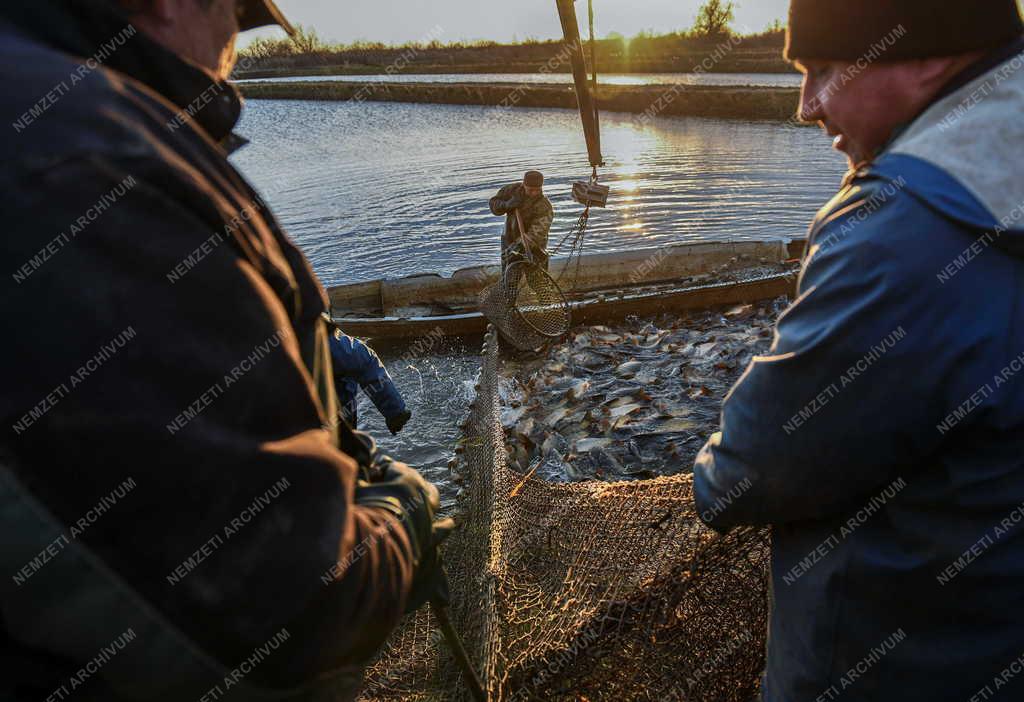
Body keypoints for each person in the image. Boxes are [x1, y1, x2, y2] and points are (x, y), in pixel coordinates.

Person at [0, 1, 450, 700]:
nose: (233, 54)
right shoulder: (92, 163)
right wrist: (401, 518)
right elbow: (293, 609)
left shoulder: (55, 115)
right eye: (237, 18)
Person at [693, 1, 1024, 700]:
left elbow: (741, 476)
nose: (805, 107)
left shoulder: (897, 232)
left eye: (822, 71)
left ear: (927, 54)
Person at [328, 322, 412, 434]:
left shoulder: (307, 331)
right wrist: (395, 411)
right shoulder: (312, 330)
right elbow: (364, 359)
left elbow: (361, 359)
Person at [489, 170, 554, 272]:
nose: (534, 193)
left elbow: (537, 233)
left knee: (536, 279)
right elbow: (493, 205)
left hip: (533, 246)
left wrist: (517, 248)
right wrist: (506, 205)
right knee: (510, 277)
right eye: (531, 190)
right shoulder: (511, 190)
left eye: (537, 190)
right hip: (509, 238)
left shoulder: (544, 206)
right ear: (524, 185)